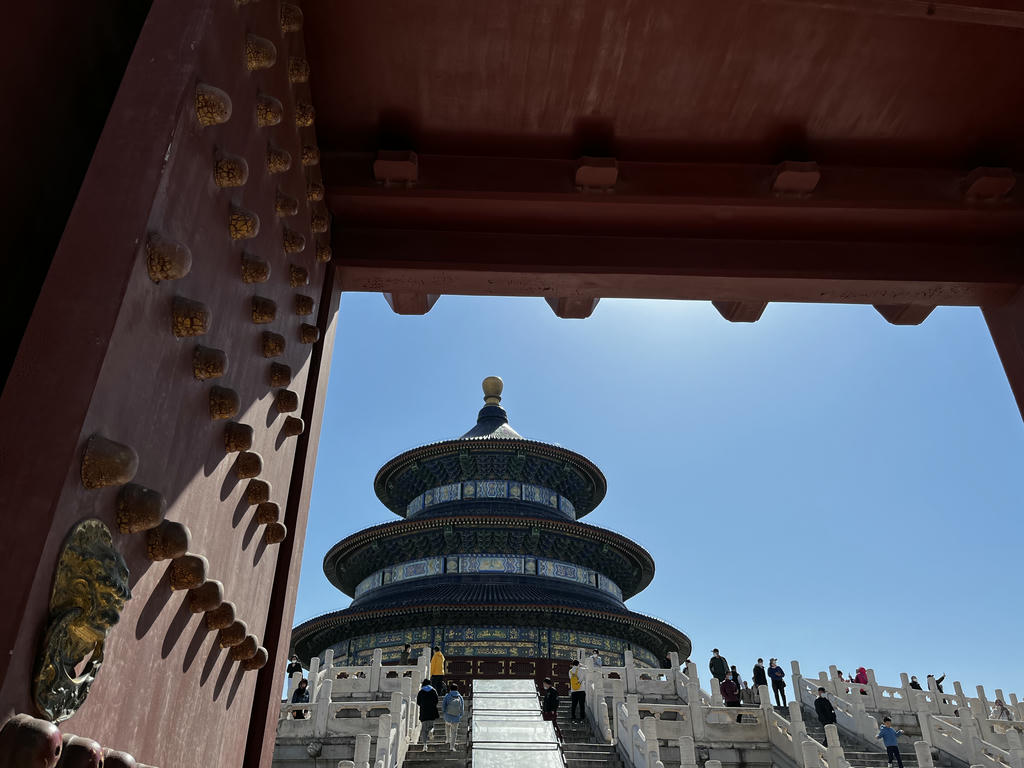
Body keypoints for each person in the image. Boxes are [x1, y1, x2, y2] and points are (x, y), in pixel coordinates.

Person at [441, 682, 464, 750]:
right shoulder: (460, 697)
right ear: (457, 689)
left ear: (450, 689)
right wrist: (460, 716)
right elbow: (462, 708)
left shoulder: (447, 696)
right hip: (456, 717)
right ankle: (452, 746)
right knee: (454, 732)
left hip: (448, 716)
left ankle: (448, 739)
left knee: (447, 726)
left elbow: (443, 706)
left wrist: (445, 713)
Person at [416, 678, 440, 743]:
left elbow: (418, 702)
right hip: (432, 712)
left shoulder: (421, 691)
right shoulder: (433, 691)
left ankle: (425, 746)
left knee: (424, 730)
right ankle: (431, 731)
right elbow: (436, 701)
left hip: (423, 712)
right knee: (431, 726)